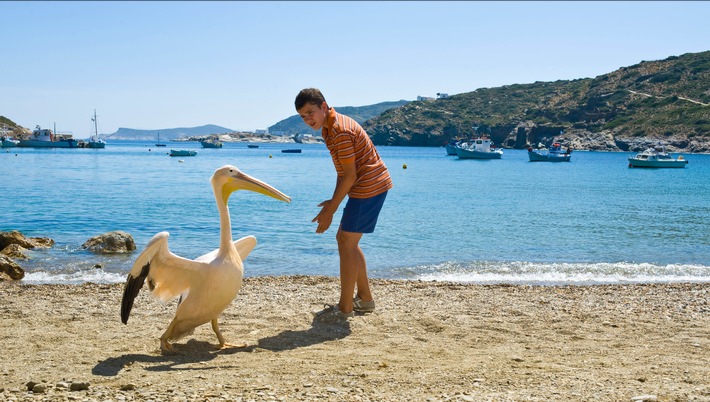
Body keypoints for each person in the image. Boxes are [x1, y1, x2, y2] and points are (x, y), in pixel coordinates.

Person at [295, 88, 393, 320]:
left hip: (369, 186)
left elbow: (350, 175)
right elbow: (343, 172)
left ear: (324, 106)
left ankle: (346, 306)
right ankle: (365, 299)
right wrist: (332, 201)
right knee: (347, 240)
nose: (309, 120)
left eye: (311, 113)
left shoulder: (338, 130)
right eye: (303, 117)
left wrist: (331, 210)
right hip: (364, 186)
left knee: (346, 242)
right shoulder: (329, 128)